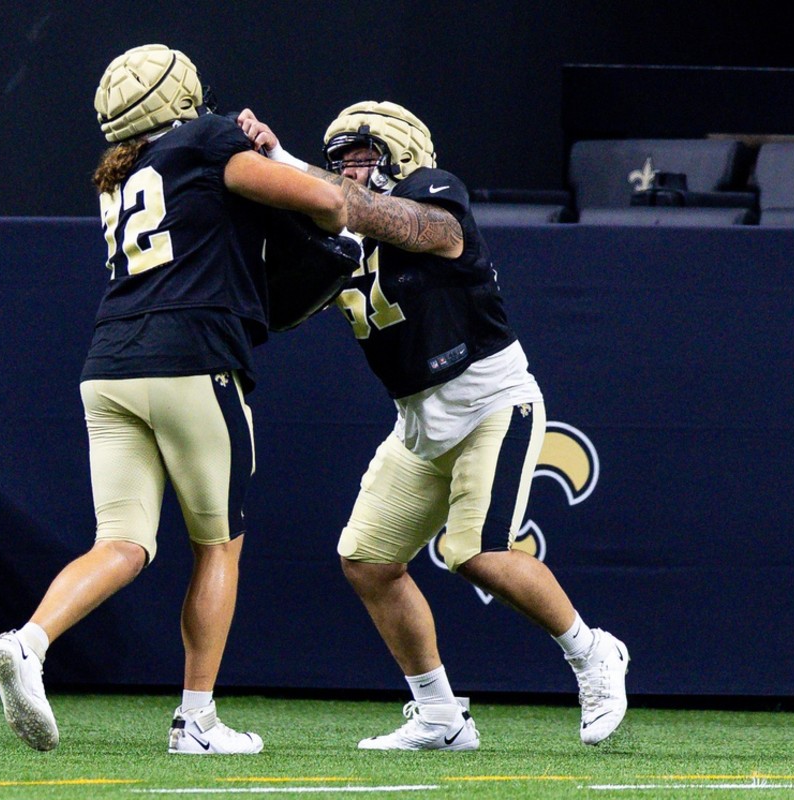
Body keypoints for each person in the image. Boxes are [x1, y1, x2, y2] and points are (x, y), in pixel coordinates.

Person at [0, 44, 348, 756]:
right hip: (194, 358)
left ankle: (28, 642)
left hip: (110, 362)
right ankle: (196, 722)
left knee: (121, 542)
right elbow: (330, 205)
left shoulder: (112, 177)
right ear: (181, 97)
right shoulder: (207, 140)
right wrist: (281, 157)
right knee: (218, 548)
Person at [237, 102, 629, 749]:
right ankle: (441, 715)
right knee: (367, 559)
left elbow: (412, 227)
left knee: (477, 552)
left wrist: (285, 165)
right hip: (419, 421)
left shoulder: (433, 198)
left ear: (399, 153)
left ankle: (593, 655)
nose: (348, 172)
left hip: (491, 402)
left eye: (360, 157)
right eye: (339, 162)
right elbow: (280, 308)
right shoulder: (341, 230)